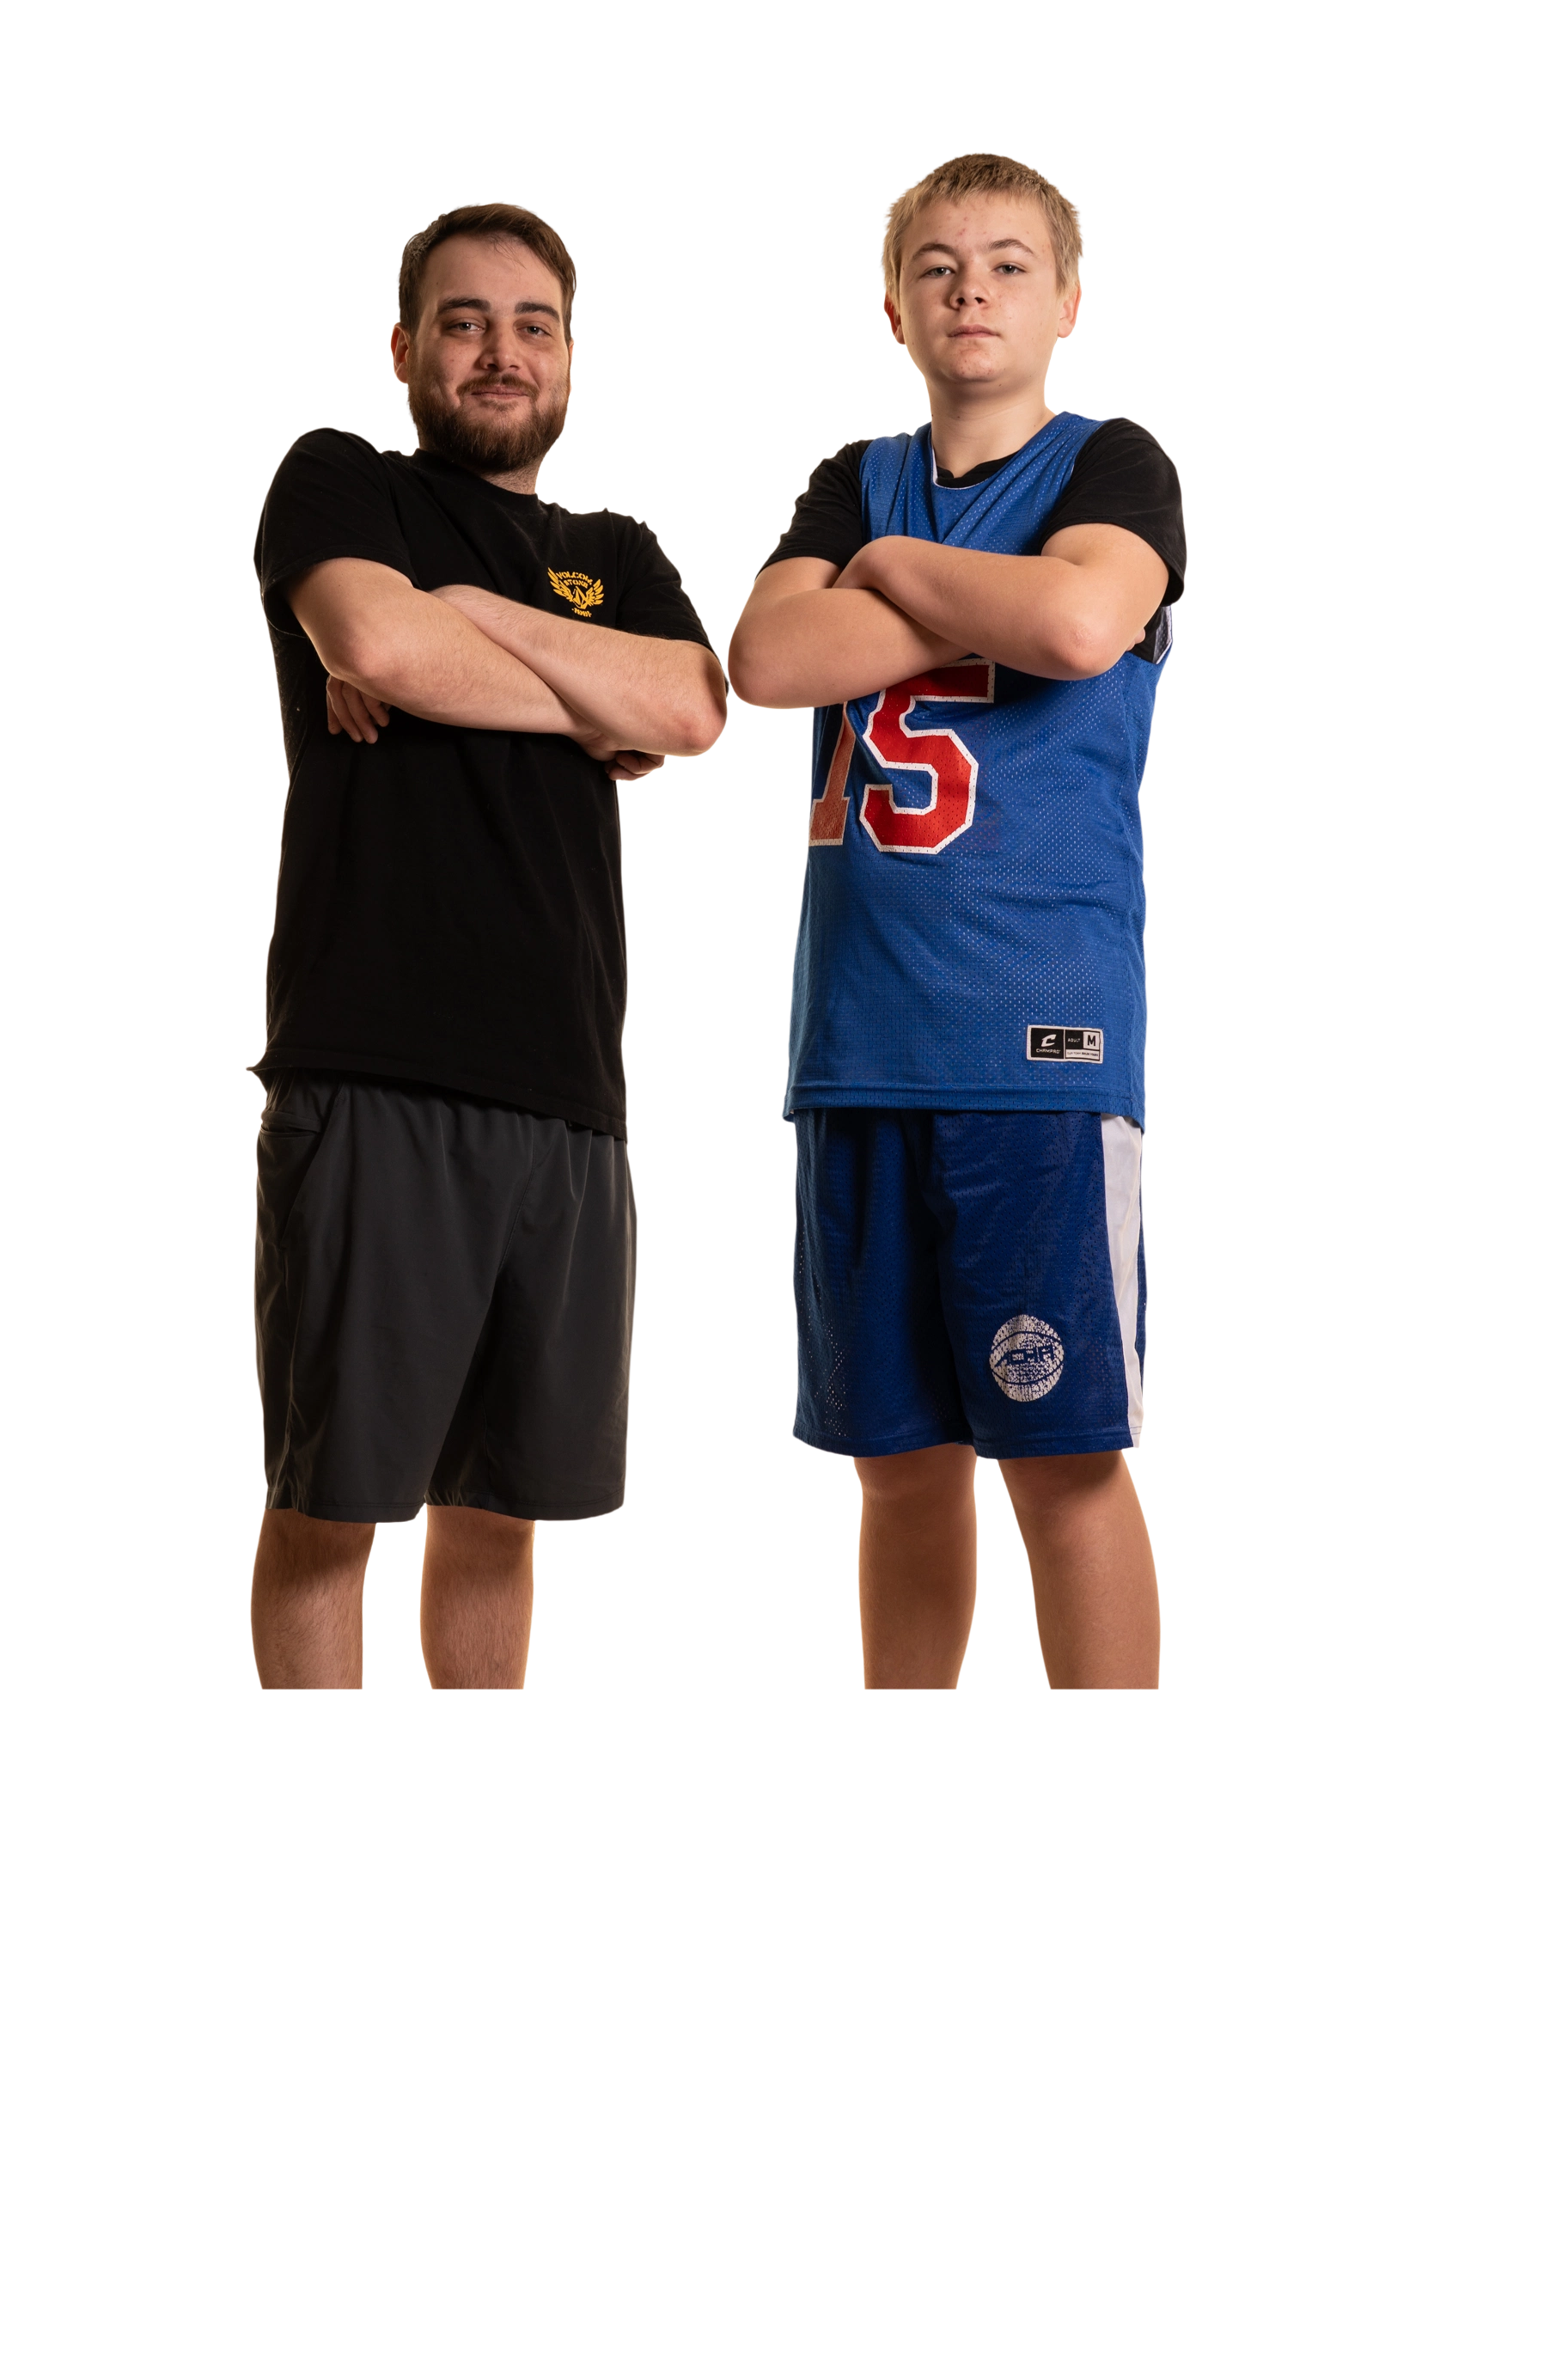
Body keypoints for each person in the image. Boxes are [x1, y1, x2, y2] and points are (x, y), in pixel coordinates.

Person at [249, 199, 727, 1690]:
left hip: (570, 1094)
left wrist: (466, 618)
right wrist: (587, 697)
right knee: (330, 1507)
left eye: (534, 325)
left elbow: (693, 706)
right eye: (464, 322)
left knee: (500, 1509)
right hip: (375, 1069)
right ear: (408, 347)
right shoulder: (342, 482)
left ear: (569, 355)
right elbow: (375, 644)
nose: (501, 351)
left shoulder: (614, 548)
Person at [728, 153, 1185, 1690]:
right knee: (899, 1461)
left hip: (1036, 1042)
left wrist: (893, 576)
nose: (970, 288)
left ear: (1067, 300)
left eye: (1005, 263)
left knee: (1063, 1459)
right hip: (861, 1039)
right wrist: (979, 591)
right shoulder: (853, 474)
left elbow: (1079, 620)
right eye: (935, 266)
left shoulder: (1112, 465)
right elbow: (768, 661)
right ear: (894, 309)